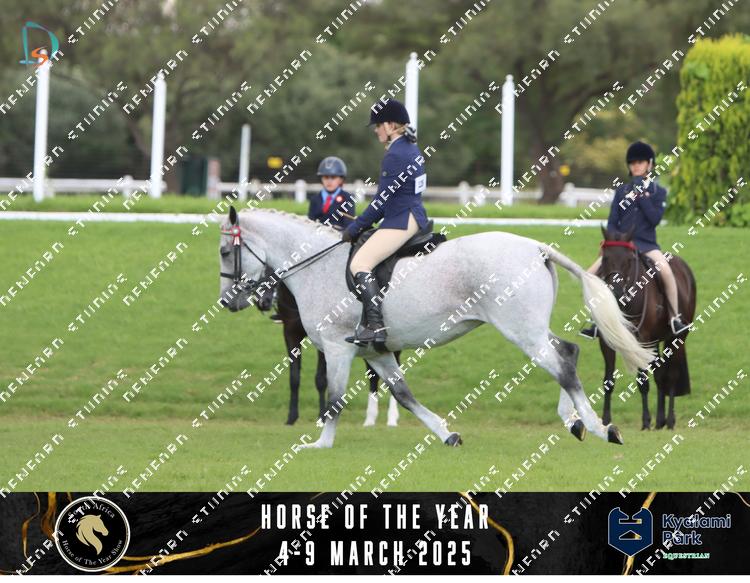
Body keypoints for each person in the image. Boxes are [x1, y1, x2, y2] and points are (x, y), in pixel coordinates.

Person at [341, 98, 430, 347]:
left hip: (401, 219)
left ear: (390, 125)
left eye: (378, 125)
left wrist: (355, 227)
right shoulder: (410, 148)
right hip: (411, 213)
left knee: (360, 263)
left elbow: (381, 201)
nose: (376, 130)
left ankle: (375, 326)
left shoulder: (396, 154)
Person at [580, 140, 691, 339]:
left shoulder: (658, 192)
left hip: (648, 245)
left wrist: (641, 195)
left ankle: (674, 318)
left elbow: (655, 219)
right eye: (632, 163)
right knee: (589, 275)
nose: (636, 166)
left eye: (640, 162)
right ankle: (595, 321)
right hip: (622, 247)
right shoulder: (621, 191)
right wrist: (614, 241)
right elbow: (612, 222)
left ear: (650, 164)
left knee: (666, 271)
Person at [308, 156, 356, 229]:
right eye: (326, 177)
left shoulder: (348, 199)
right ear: (321, 179)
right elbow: (310, 223)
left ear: (341, 179)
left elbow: (348, 226)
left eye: (333, 177)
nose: (329, 181)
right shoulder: (315, 199)